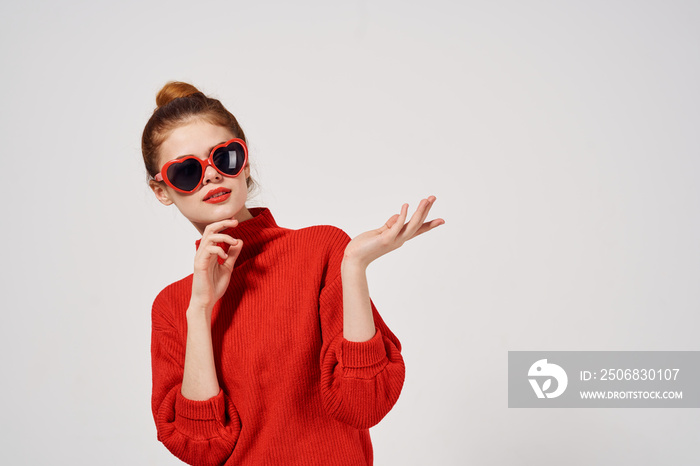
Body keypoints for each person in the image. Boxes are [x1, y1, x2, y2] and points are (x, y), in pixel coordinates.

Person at [142, 81, 444, 466]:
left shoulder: (320, 251)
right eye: (186, 171)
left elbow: (364, 405)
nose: (212, 176)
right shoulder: (173, 307)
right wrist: (200, 309)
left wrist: (353, 266)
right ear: (162, 190)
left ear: (245, 163)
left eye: (225, 157)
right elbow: (202, 448)